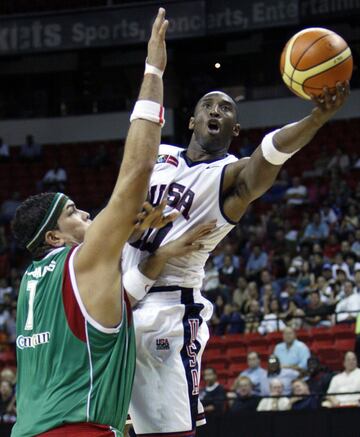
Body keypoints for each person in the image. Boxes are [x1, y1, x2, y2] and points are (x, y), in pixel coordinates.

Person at [123, 70, 349, 434]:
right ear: (192, 119)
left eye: (226, 108)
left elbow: (270, 155)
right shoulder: (160, 154)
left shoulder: (230, 175)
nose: (216, 111)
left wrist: (317, 117)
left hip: (168, 311)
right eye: (208, 106)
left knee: (173, 432)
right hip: (119, 301)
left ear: (236, 129)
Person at [9, 10, 199, 437]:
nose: (87, 215)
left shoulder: (31, 285)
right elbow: (135, 178)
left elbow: (114, 305)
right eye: (74, 212)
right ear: (55, 236)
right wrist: (154, 71)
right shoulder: (81, 261)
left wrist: (161, 253)